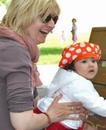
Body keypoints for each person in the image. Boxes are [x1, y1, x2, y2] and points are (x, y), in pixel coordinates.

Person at [0, 0, 85, 130]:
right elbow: (23, 123)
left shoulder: (6, 44)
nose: (51, 24)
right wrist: (51, 116)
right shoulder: (15, 51)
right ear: (23, 15)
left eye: (54, 19)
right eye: (46, 17)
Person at [36, 42, 106, 130]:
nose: (91, 65)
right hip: (61, 125)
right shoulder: (78, 84)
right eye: (84, 61)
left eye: (93, 61)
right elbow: (98, 105)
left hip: (55, 119)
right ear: (72, 65)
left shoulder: (67, 77)